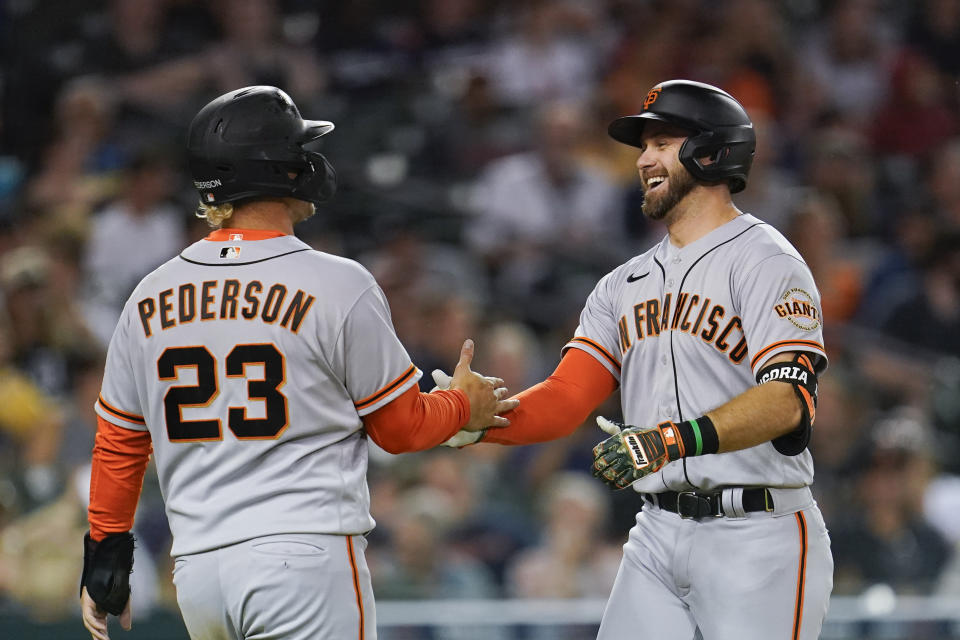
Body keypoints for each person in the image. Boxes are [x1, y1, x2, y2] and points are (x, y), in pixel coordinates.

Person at [79, 85, 518, 640]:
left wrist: (106, 558)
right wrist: (463, 406)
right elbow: (400, 429)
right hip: (304, 558)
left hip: (198, 573)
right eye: (299, 150)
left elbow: (119, 441)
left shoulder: (150, 294)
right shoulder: (336, 282)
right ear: (280, 169)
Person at [442, 79, 834, 639]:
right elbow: (564, 400)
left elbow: (788, 401)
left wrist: (669, 440)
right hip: (656, 530)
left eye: (662, 142)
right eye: (642, 146)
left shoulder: (766, 260)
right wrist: (474, 422)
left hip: (759, 532)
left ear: (713, 150)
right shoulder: (622, 284)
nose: (644, 159)